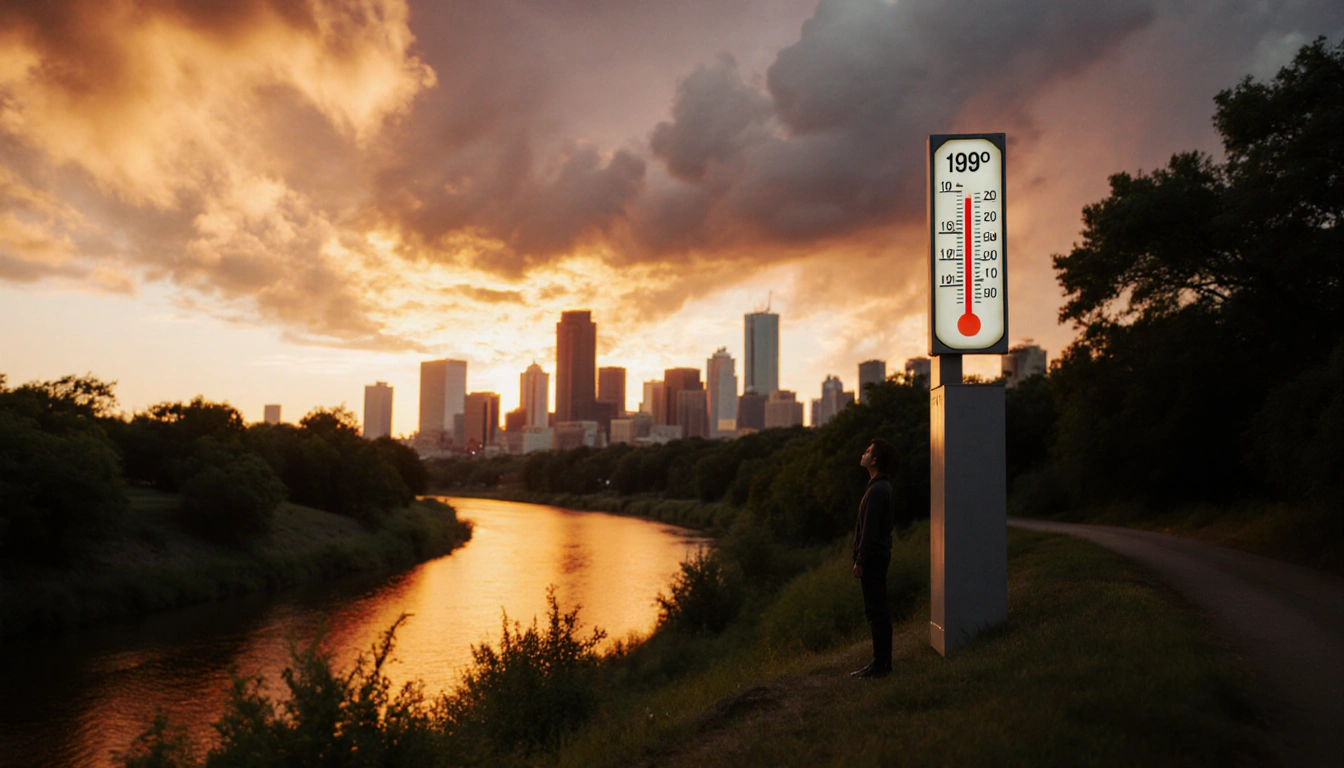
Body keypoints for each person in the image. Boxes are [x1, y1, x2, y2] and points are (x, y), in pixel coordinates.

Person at [851, 438, 897, 679]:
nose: (864, 453)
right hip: (877, 556)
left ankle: (881, 665)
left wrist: (860, 560)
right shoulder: (878, 487)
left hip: (874, 558)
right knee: (877, 610)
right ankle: (880, 663)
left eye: (868, 451)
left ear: (875, 459)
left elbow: (869, 530)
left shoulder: (878, 490)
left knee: (876, 611)